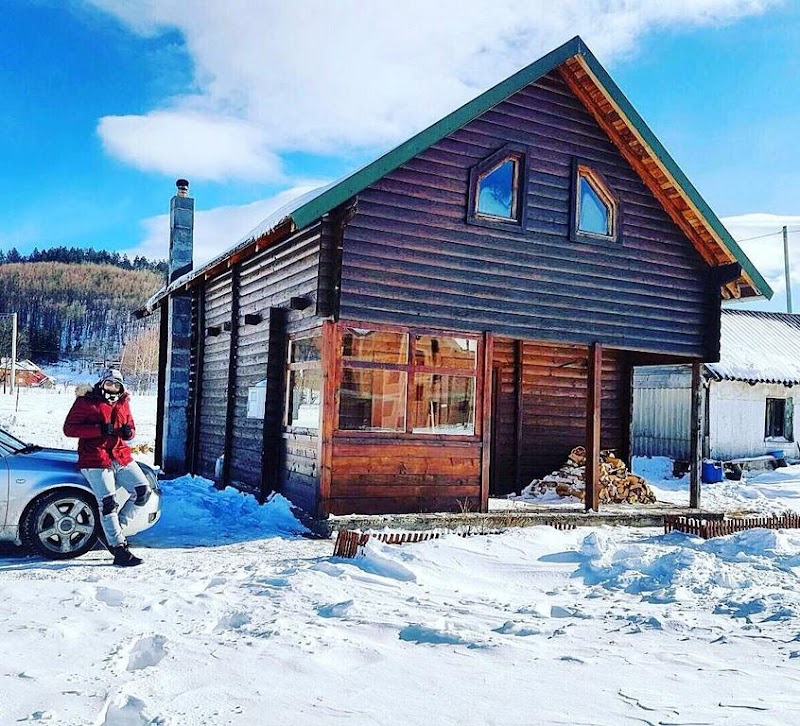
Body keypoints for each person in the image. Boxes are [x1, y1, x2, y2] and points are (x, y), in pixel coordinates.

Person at [63, 368, 149, 567]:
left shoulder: (123, 402)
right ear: (102, 384)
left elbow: (131, 427)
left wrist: (128, 433)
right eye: (109, 383)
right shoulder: (86, 401)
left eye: (116, 384)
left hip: (120, 455)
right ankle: (119, 549)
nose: (112, 387)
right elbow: (69, 429)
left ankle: (111, 530)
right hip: (95, 457)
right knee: (108, 502)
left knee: (142, 492)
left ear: (121, 387)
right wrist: (98, 430)